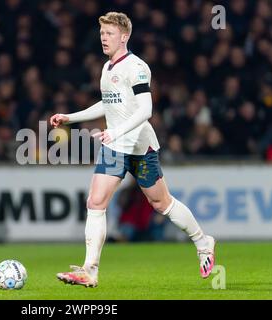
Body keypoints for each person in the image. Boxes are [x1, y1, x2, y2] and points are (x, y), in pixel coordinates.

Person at [50, 12, 215, 287]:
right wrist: (71, 117)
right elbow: (108, 104)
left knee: (162, 203)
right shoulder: (107, 68)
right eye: (102, 33)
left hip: (139, 145)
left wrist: (116, 130)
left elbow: (146, 109)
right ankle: (90, 269)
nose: (104, 38)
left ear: (124, 36)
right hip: (115, 147)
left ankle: (203, 242)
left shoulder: (137, 67)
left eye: (109, 33)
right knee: (96, 201)